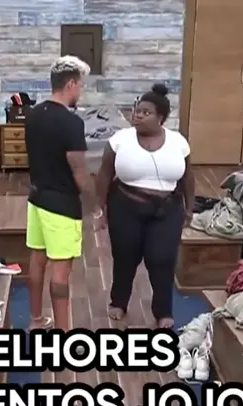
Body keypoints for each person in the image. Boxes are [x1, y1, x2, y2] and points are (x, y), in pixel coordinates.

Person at [95, 83, 195, 328]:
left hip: (167, 210)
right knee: (125, 257)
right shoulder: (120, 140)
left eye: (146, 113)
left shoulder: (178, 142)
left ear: (161, 118)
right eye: (137, 111)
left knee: (162, 259)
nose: (138, 116)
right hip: (126, 206)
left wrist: (190, 208)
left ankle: (163, 311)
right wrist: (101, 209)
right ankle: (119, 301)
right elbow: (104, 175)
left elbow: (188, 178)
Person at [25, 56, 103, 332]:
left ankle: (36, 320)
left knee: (37, 261)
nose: (81, 90)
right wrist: (96, 206)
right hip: (61, 206)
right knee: (60, 273)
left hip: (36, 200)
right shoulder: (71, 123)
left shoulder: (33, 114)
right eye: (80, 85)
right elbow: (80, 172)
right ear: (70, 84)